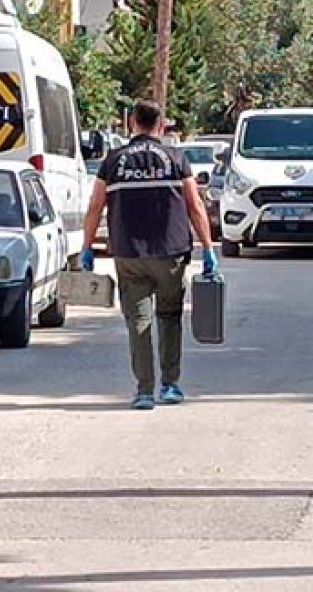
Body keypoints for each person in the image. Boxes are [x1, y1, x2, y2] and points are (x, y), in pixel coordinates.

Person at [81, 100, 218, 410]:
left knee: (138, 321)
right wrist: (208, 248)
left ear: (132, 122)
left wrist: (86, 247)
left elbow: (95, 207)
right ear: (161, 125)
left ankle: (144, 391)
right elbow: (195, 206)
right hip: (170, 252)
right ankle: (170, 385)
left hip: (128, 253)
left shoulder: (113, 162)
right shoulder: (175, 159)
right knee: (169, 317)